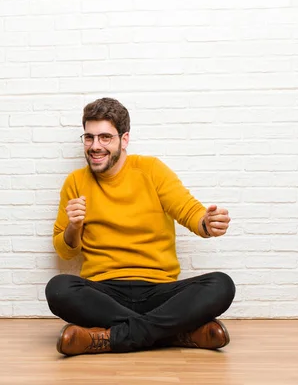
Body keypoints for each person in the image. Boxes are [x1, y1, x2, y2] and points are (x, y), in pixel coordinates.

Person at [46, 98, 235, 356]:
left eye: (105, 137)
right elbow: (65, 251)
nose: (95, 146)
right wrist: (73, 226)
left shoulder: (151, 170)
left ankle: (107, 338)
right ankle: (176, 332)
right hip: (106, 292)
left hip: (159, 289)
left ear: (124, 140)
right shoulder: (75, 182)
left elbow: (188, 210)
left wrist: (207, 223)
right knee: (58, 289)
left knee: (222, 284)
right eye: (89, 138)